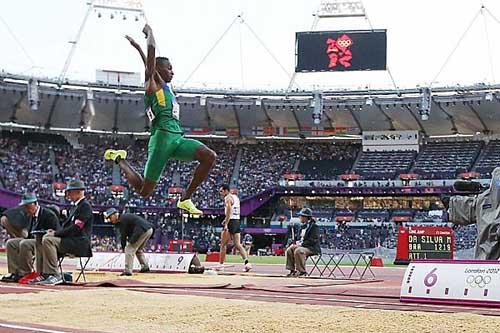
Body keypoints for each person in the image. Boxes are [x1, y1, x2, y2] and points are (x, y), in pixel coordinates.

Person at [104, 24, 216, 216]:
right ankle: (119, 159)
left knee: (209, 156)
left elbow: (149, 63)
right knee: (144, 191)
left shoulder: (167, 88)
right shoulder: (151, 85)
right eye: (169, 68)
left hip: (177, 138)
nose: (173, 72)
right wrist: (150, 34)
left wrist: (139, 49)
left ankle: (186, 199)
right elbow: (151, 57)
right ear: (158, 69)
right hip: (161, 140)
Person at [35, 180, 93, 285]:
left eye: (70, 192)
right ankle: (42, 274)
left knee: (48, 240)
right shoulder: (76, 207)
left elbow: (76, 228)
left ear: (79, 192)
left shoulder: (85, 206)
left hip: (80, 243)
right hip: (72, 240)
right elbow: (71, 227)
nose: (68, 195)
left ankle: (53, 274)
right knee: (40, 240)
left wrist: (56, 234)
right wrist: (55, 232)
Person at [1, 194, 60, 283]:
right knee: (11, 243)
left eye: (27, 206)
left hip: (43, 241)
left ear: (35, 204)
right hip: (32, 239)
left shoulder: (49, 215)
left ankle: (24, 272)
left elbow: (56, 232)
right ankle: (14, 272)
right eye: (25, 206)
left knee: (25, 243)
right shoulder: (31, 216)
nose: (26, 209)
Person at [445, 167, 500, 259]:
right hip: (487, 264)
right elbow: (470, 207)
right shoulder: (485, 199)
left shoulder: (486, 199)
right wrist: (450, 202)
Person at [104, 208, 153, 276]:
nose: (110, 219)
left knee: (129, 249)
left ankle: (128, 271)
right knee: (138, 250)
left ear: (115, 215)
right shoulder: (123, 218)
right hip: (148, 229)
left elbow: (123, 235)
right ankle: (145, 267)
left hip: (142, 230)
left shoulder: (122, 220)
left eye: (110, 217)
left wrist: (124, 247)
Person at [218, 185, 251, 272]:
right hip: (236, 220)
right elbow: (233, 210)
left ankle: (221, 265)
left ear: (226, 191)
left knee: (223, 245)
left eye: (221, 191)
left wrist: (226, 223)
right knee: (238, 244)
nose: (220, 193)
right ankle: (247, 263)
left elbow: (229, 209)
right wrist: (226, 219)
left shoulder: (227, 198)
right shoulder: (235, 197)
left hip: (231, 221)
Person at [285, 208, 321, 277]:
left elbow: (313, 240)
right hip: (302, 246)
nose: (299, 218)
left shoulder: (314, 227)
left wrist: (300, 245)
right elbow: (299, 238)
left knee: (298, 251)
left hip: (311, 248)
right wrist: (295, 243)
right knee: (289, 249)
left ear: (306, 217)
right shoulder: (301, 227)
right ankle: (292, 270)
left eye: (301, 216)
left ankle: (302, 271)